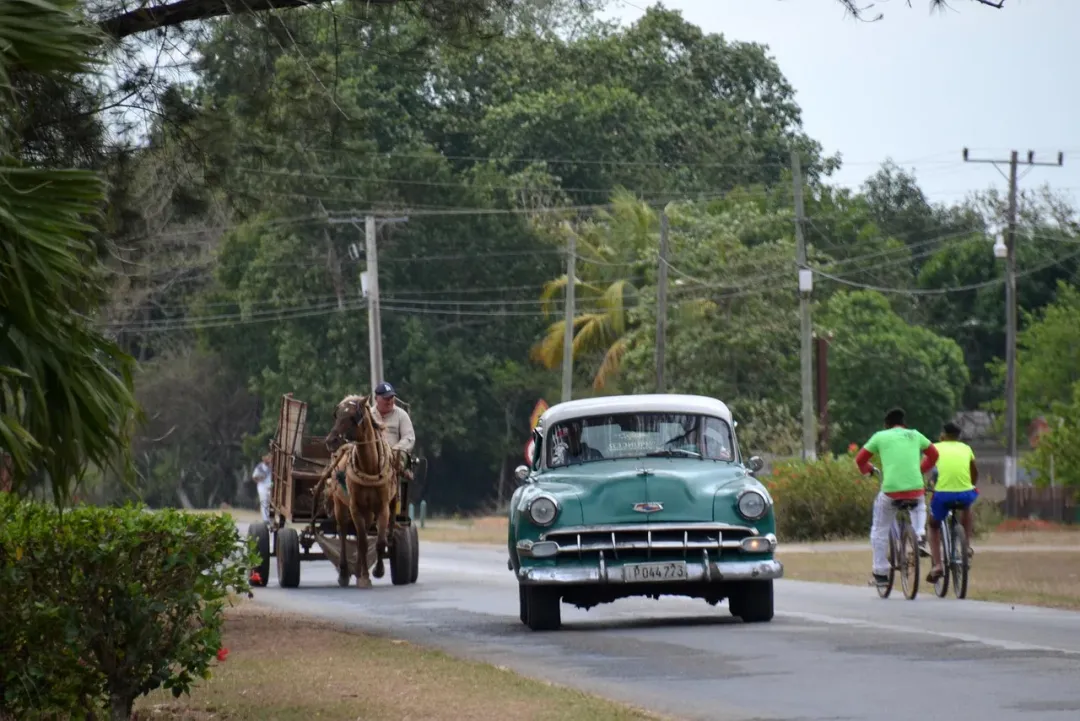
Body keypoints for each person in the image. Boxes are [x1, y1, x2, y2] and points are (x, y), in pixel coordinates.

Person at [854, 408, 939, 585]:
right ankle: (920, 535)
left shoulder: (880, 436)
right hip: (915, 488)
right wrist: (920, 469)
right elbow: (934, 454)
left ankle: (881, 573)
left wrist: (868, 470)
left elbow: (860, 459)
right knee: (919, 505)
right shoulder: (915, 435)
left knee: (879, 529)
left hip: (891, 490)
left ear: (887, 424)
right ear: (904, 423)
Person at [926, 421, 979, 582]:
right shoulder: (966, 448)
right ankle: (966, 545)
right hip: (965, 493)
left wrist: (928, 485)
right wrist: (970, 485)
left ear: (943, 435)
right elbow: (974, 473)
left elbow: (928, 470)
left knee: (933, 525)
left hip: (942, 495)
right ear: (959, 437)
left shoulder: (935, 448)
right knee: (967, 505)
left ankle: (937, 565)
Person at [251, 452, 273, 523]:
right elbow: (254, 477)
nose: (268, 459)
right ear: (263, 458)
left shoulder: (273, 467)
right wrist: (260, 479)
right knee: (264, 502)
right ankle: (265, 519)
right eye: (267, 457)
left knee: (271, 503)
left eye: (269, 457)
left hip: (271, 487)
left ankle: (271, 518)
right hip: (262, 486)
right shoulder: (260, 467)